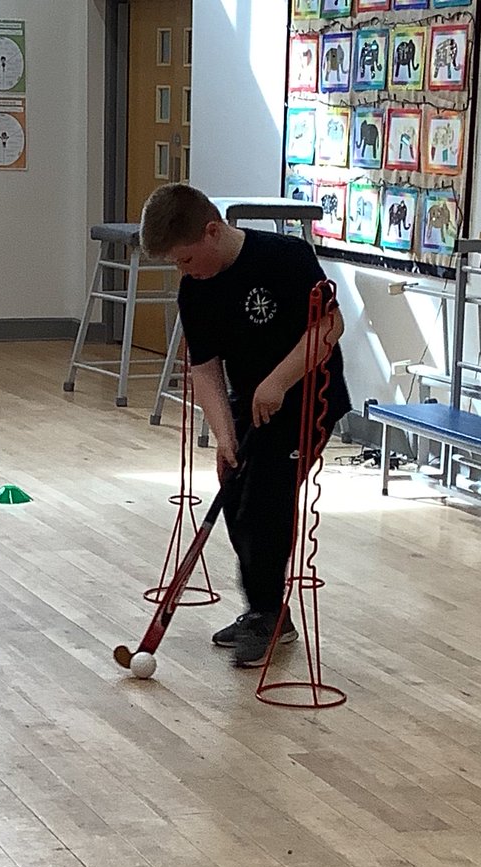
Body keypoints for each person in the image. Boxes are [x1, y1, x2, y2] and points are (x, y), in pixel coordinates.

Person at [139, 183, 351, 668]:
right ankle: (265, 610)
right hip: (249, 403)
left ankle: (267, 614)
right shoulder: (196, 290)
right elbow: (206, 368)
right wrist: (224, 434)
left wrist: (277, 381)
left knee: (267, 496)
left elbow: (329, 328)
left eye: (186, 259)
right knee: (235, 488)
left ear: (212, 231)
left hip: (307, 397)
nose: (183, 271)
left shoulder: (285, 257)